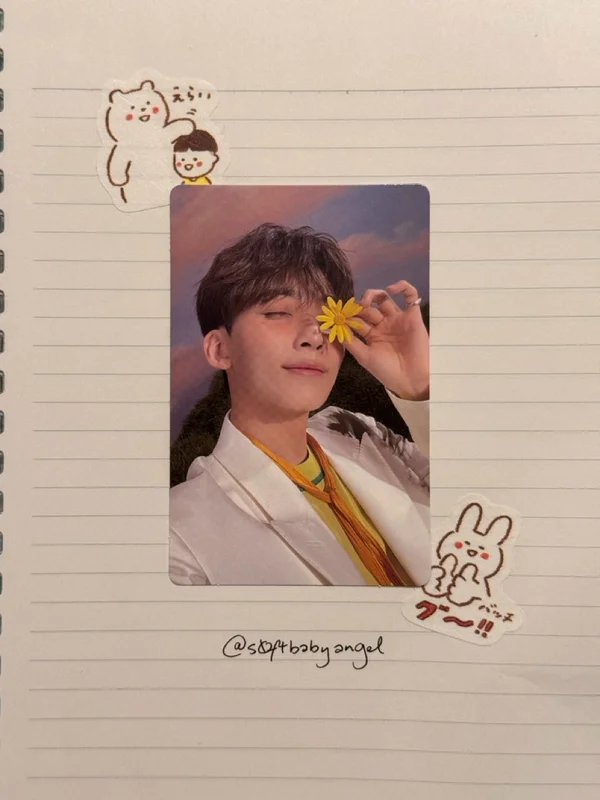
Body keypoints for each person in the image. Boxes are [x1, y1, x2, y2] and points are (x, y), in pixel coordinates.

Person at [170, 223, 431, 587]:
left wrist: (418, 390)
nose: (315, 334)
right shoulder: (178, 533)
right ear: (219, 349)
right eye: (278, 312)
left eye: (329, 316)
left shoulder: (361, 432)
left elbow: (484, 512)